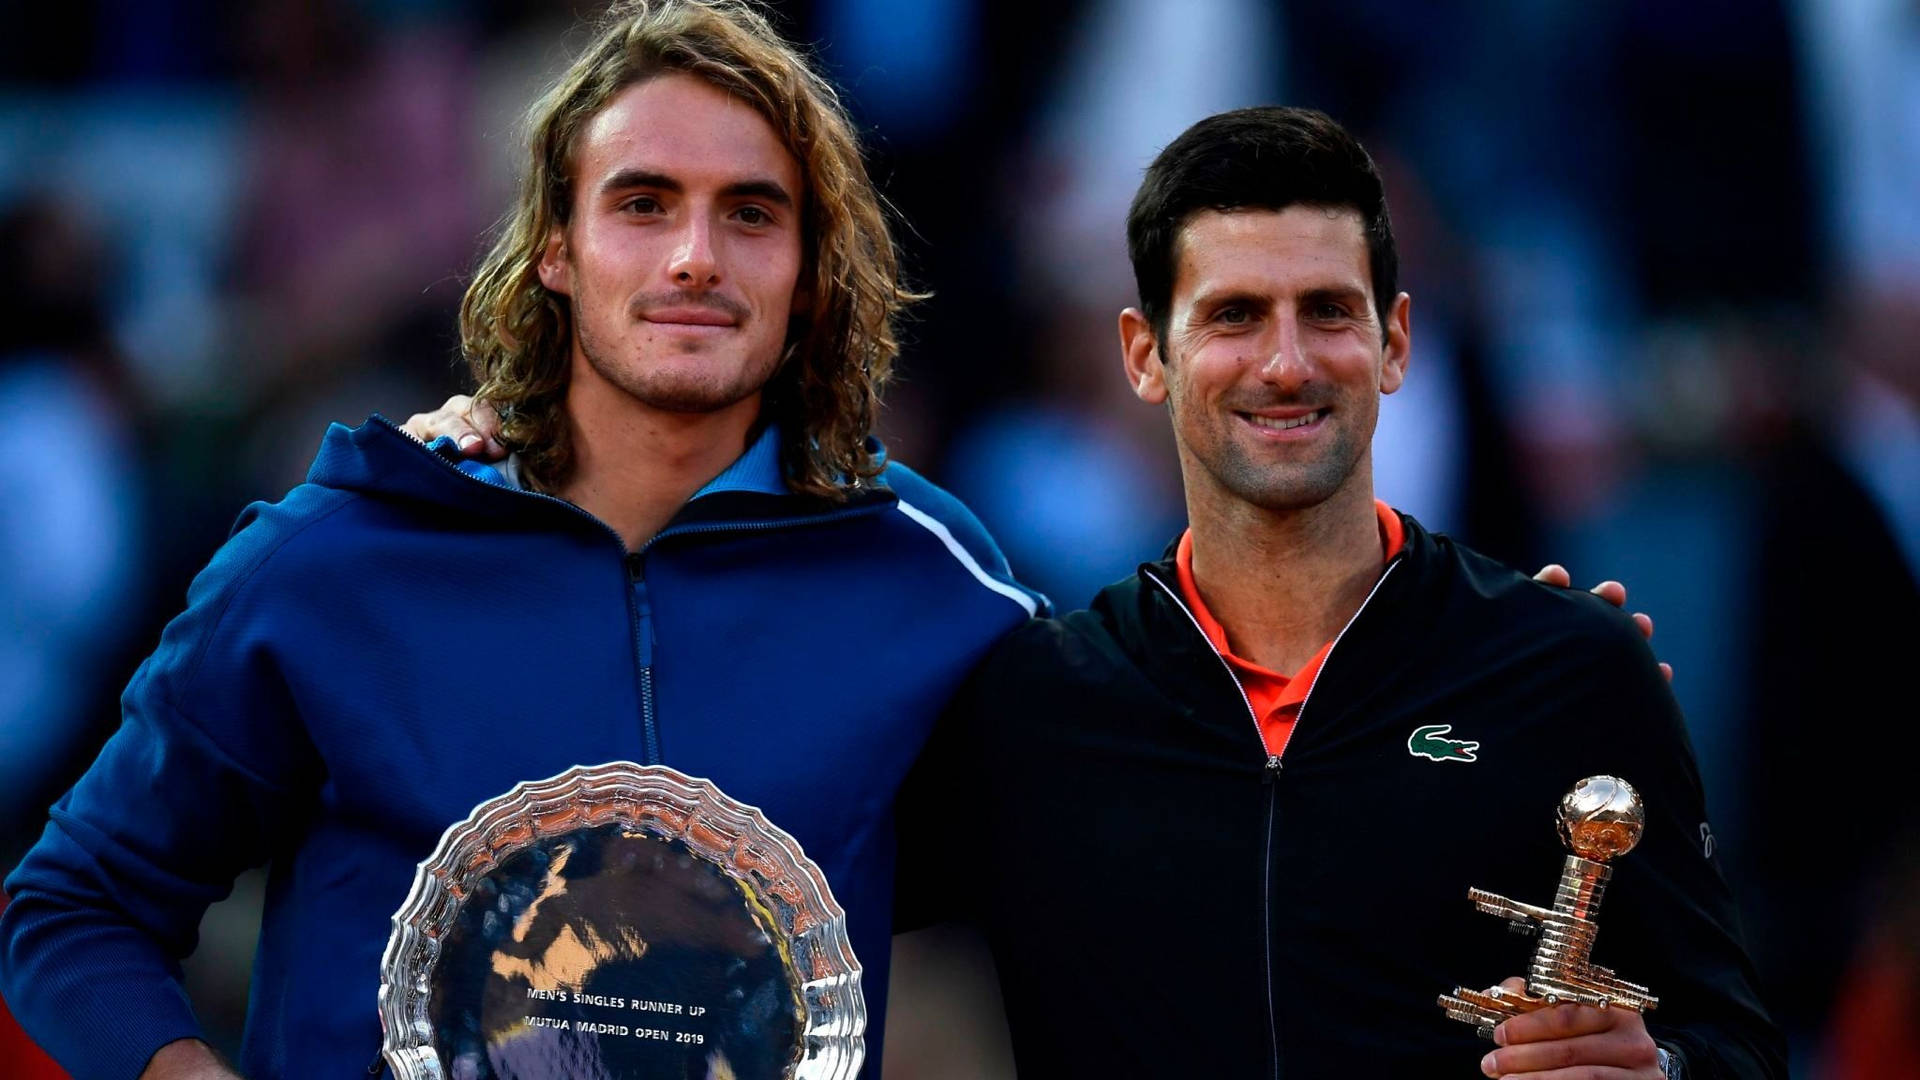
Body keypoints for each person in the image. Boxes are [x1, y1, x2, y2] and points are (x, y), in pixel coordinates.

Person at [0, 3, 1044, 1078]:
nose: (695, 257)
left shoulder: (933, 580)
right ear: (555, 246)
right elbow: (76, 902)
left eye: (751, 214)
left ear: (811, 266)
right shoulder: (339, 559)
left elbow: (1142, 830)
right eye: (642, 204)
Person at [889, 107, 1785, 1078]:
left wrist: (1660, 1073)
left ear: (1394, 341)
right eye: (1234, 314)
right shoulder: (1032, 703)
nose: (1286, 363)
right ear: (1145, 354)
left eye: (1327, 310)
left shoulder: (1573, 669)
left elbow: (1736, 1039)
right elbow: (769, 901)